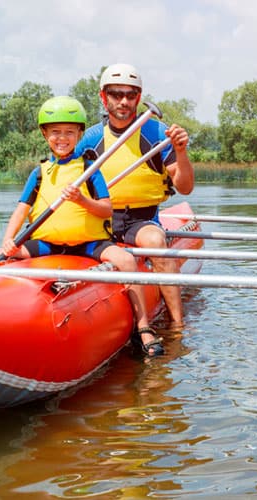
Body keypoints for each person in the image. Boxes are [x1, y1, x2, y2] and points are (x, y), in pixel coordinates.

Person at [0, 96, 162, 357]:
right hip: (49, 243)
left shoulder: (90, 170)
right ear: (44, 134)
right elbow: (21, 209)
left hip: (88, 243)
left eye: (69, 132)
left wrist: (82, 200)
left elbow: (106, 209)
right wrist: (8, 240)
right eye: (55, 132)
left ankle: (143, 326)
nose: (62, 138)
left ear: (79, 134)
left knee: (125, 260)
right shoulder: (39, 173)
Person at [74, 63, 194, 331]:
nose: (123, 101)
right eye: (116, 94)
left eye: (130, 95)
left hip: (141, 220)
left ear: (139, 98)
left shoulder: (156, 135)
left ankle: (177, 326)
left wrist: (181, 152)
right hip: (100, 218)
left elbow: (185, 187)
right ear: (103, 97)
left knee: (155, 241)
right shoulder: (90, 139)